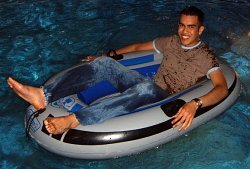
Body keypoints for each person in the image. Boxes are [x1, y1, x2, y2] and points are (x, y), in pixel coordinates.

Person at [7, 6, 228, 135]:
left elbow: (221, 88)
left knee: (145, 87)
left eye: (191, 27)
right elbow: (137, 47)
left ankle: (75, 120)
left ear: (201, 29)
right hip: (146, 84)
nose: (185, 31)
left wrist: (194, 103)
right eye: (182, 25)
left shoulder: (206, 56)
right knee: (104, 66)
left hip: (164, 96)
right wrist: (106, 56)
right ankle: (44, 95)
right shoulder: (170, 41)